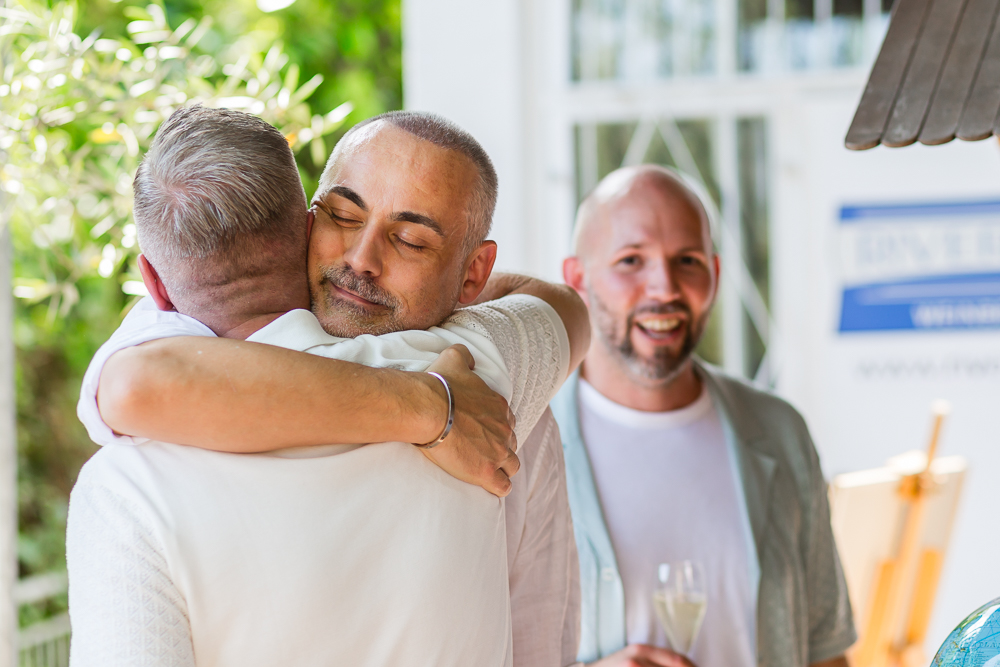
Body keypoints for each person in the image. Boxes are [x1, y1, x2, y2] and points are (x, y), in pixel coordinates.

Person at [68, 107, 587, 666]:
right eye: (344, 215)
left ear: (152, 284)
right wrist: (430, 405)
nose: (362, 261)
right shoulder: (479, 374)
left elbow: (133, 387)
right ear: (306, 227)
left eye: (412, 241)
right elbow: (561, 307)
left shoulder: (125, 490)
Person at [554, 165, 856, 667]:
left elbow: (826, 650)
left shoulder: (780, 431)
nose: (664, 287)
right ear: (577, 280)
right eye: (631, 260)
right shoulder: (518, 445)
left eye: (687, 261)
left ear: (714, 276)